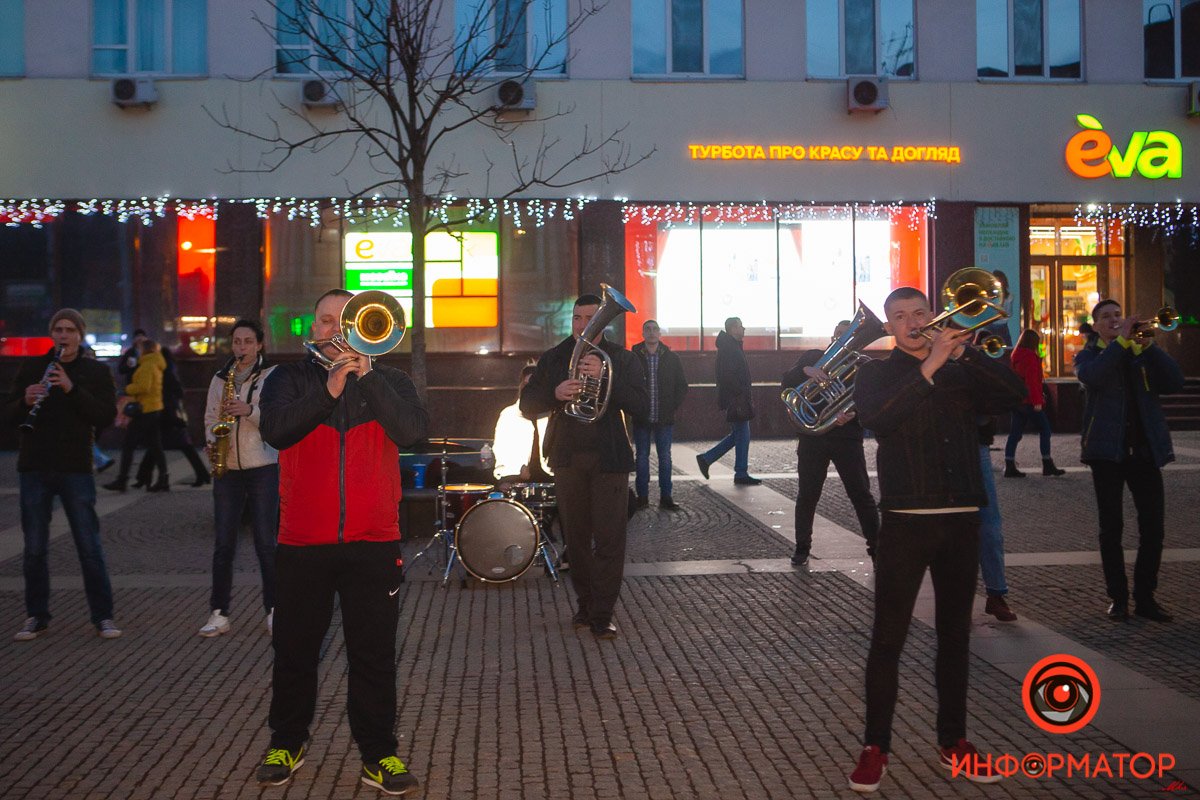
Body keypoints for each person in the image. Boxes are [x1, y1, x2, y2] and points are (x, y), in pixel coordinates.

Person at [846, 287, 1025, 792]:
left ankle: (955, 740)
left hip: (961, 516)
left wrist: (963, 351)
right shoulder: (876, 370)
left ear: (933, 315)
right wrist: (930, 367)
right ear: (889, 326)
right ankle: (875, 745)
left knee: (954, 636)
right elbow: (879, 419)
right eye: (899, 317)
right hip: (904, 519)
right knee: (888, 639)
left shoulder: (963, 366)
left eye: (919, 313)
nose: (911, 323)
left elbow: (1015, 395)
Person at [255, 289, 428, 795]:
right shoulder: (289, 378)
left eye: (344, 321)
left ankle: (379, 754)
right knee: (294, 651)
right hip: (303, 542)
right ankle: (286, 741)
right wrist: (329, 389)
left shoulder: (391, 380)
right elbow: (277, 431)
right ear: (313, 329)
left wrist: (367, 376)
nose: (335, 330)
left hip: (374, 541)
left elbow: (413, 431)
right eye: (326, 321)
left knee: (373, 654)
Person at [520, 293, 649, 640]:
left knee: (610, 540)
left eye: (591, 318)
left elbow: (642, 405)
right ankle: (586, 603)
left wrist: (608, 380)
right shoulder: (554, 358)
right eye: (577, 318)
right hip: (566, 457)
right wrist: (555, 393)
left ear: (605, 321)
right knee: (575, 541)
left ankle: (602, 614)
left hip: (610, 459)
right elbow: (527, 404)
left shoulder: (621, 358)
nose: (582, 325)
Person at [8, 309, 122, 641]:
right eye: (58, 329)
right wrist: (24, 402)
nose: (63, 335)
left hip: (75, 467)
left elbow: (105, 415)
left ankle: (103, 616)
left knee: (89, 545)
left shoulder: (94, 371)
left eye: (69, 330)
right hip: (35, 466)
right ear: (51, 334)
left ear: (80, 334)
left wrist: (72, 388)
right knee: (34, 548)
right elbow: (8, 412)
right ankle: (36, 616)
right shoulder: (32, 367)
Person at [1075, 299, 1184, 623]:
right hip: (1106, 454)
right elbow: (1093, 378)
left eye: (1117, 315)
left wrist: (1149, 349)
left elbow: (1174, 383)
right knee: (1111, 529)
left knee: (1154, 529)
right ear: (1095, 326)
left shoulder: (1140, 354)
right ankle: (1118, 599)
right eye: (1105, 317)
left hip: (1145, 452)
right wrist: (1121, 342)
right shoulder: (1088, 356)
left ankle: (1145, 597)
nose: (1113, 320)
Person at [197, 320, 278, 638]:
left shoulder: (272, 377)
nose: (241, 347)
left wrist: (249, 411)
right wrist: (211, 437)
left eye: (247, 341)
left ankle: (274, 609)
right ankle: (219, 612)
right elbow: (209, 416)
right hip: (227, 468)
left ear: (259, 345)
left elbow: (276, 419)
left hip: (263, 467)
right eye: (236, 342)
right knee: (223, 544)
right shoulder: (220, 378)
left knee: (265, 542)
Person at [780, 320, 879, 567]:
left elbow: (869, 402)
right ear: (832, 337)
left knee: (861, 495)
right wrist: (806, 371)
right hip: (813, 439)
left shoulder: (862, 366)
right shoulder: (814, 357)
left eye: (847, 337)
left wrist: (854, 414)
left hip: (847, 437)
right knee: (807, 495)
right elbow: (787, 382)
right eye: (839, 336)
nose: (842, 341)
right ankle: (802, 548)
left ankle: (877, 549)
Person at [631, 319, 689, 510]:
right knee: (641, 457)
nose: (651, 332)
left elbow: (682, 386)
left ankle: (666, 496)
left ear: (660, 334)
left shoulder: (671, 358)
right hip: (642, 417)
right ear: (643, 333)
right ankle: (642, 497)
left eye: (655, 329)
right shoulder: (634, 357)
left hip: (664, 417)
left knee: (665, 457)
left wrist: (672, 406)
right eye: (647, 329)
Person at [696, 316, 761, 485]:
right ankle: (740, 472)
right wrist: (741, 392)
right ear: (733, 329)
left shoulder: (730, 346)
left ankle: (707, 459)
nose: (744, 329)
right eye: (741, 326)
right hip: (736, 400)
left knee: (738, 435)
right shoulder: (730, 348)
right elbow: (728, 375)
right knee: (742, 436)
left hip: (735, 398)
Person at [135, 345, 211, 488]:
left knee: (157, 445)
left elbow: (171, 392)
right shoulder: (171, 371)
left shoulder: (164, 373)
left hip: (166, 414)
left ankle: (144, 477)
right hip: (170, 414)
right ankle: (202, 474)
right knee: (169, 446)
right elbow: (179, 392)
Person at [104, 339, 167, 493]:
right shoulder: (156, 362)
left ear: (145, 350)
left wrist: (127, 389)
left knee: (128, 445)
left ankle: (122, 480)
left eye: (139, 348)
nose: (137, 351)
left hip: (144, 410)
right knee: (155, 446)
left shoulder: (147, 364)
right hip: (154, 407)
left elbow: (143, 387)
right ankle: (163, 479)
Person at [1004, 329, 1065, 478]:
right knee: (1045, 430)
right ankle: (1047, 463)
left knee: (1015, 433)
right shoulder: (1030, 357)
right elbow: (1032, 382)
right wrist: (1037, 401)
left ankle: (1009, 465)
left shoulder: (1015, 356)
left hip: (1017, 400)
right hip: (1029, 401)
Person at [977, 418, 1017, 622]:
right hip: (942, 440)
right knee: (953, 526)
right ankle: (959, 600)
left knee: (989, 525)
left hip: (977, 440)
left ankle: (996, 593)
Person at [492, 364, 552, 486]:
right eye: (526, 385)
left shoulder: (552, 414)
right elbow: (502, 450)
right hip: (517, 479)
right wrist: (511, 475)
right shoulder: (509, 415)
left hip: (551, 476)